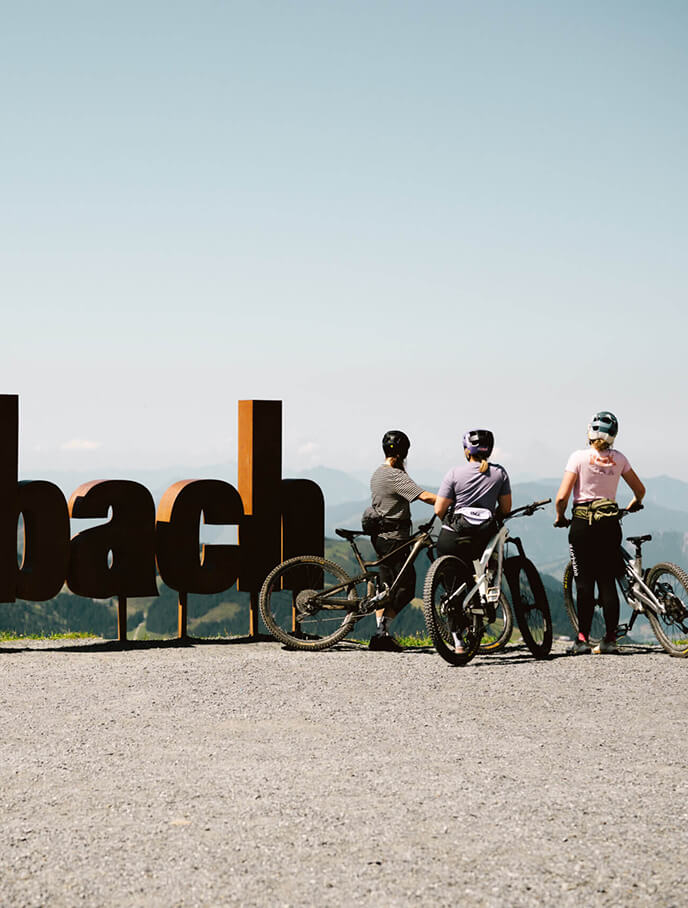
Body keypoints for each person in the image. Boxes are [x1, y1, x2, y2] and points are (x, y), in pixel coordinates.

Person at [554, 411, 645, 655]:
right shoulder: (620, 459)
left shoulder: (578, 457)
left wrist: (560, 517)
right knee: (607, 582)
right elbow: (640, 490)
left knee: (584, 585)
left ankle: (582, 640)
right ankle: (609, 640)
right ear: (613, 435)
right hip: (609, 526)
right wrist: (635, 502)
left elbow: (562, 497)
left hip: (582, 525)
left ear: (589, 432)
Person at [434, 430, 512, 653]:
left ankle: (458, 642)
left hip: (453, 535)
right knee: (481, 570)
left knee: (452, 587)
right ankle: (484, 604)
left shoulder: (454, 473)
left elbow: (439, 509)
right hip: (482, 537)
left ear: (467, 450)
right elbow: (505, 509)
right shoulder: (499, 473)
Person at [368, 430, 437, 652]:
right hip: (395, 539)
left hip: (381, 537)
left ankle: (381, 634)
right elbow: (423, 496)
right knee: (406, 588)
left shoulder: (378, 473)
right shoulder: (395, 475)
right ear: (404, 452)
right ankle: (382, 632)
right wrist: (448, 501)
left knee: (386, 587)